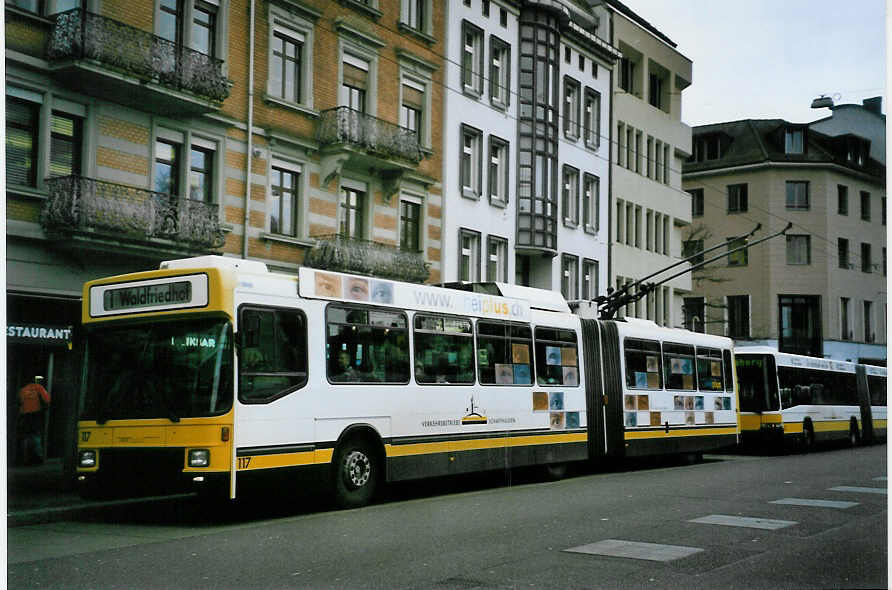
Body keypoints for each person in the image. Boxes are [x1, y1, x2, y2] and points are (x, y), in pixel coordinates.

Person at [18, 376, 51, 465]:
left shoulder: (22, 390)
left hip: (25, 415)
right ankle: (38, 457)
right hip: (36, 414)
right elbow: (47, 399)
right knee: (36, 435)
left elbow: (19, 403)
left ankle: (24, 458)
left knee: (25, 437)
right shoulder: (38, 387)